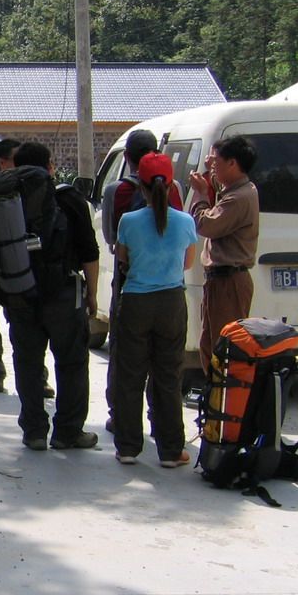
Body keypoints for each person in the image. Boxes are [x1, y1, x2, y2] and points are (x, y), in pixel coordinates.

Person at [0, 142, 100, 451]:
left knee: (27, 363)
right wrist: (93, 294)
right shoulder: (69, 198)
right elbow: (89, 251)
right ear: (50, 166)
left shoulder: (3, 198)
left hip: (19, 292)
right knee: (71, 362)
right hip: (63, 293)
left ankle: (33, 431)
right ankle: (67, 432)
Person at [110, 153, 199, 467]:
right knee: (168, 376)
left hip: (136, 301)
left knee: (130, 376)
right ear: (171, 184)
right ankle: (171, 450)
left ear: (141, 186)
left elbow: (123, 258)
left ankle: (128, 447)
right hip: (171, 302)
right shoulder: (186, 221)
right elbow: (187, 263)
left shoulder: (129, 221)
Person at [102, 129, 186, 429]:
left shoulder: (116, 191)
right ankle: (161, 421)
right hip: (171, 289)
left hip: (131, 286)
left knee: (126, 360)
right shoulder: (175, 189)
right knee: (167, 364)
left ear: (127, 157)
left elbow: (112, 239)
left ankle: (121, 421)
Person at [0, 137, 53, 399]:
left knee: (24, 319)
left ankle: (33, 374)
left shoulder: (28, 188)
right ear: (2, 162)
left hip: (16, 262)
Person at [186, 134, 260, 375]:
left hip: (230, 281)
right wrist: (212, 177)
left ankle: (225, 395)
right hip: (221, 280)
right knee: (210, 345)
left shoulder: (240, 197)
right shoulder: (236, 190)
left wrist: (200, 194)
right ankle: (215, 393)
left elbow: (206, 225)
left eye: (216, 161)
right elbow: (222, 198)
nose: (212, 165)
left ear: (232, 163)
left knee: (225, 349)